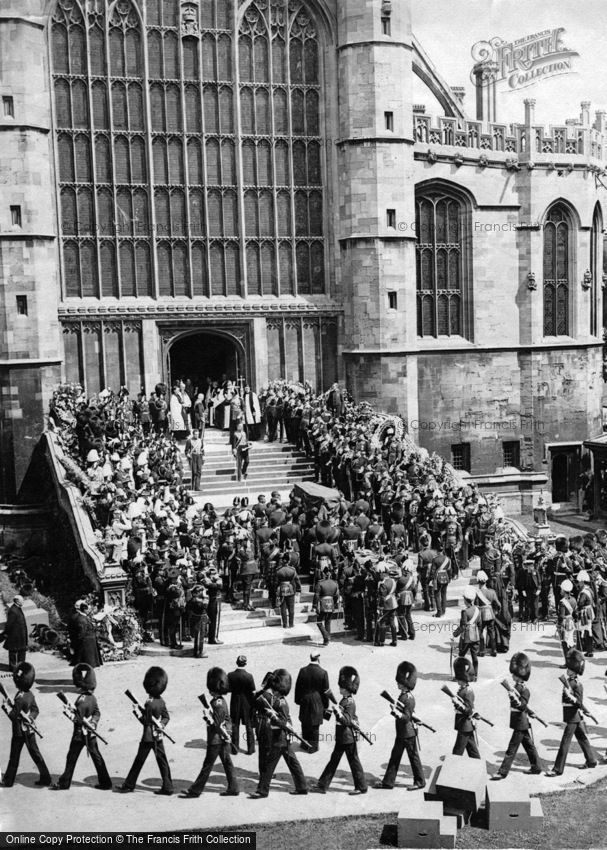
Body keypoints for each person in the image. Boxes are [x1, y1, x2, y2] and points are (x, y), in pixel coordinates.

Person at [249, 669, 308, 798]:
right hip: (281, 737)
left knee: (269, 766)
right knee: (292, 763)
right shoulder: (279, 700)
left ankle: (262, 791)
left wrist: (272, 716)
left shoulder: (280, 702)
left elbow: (283, 721)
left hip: (279, 738)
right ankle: (302, 787)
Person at [53, 663, 112, 790]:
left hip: (79, 734)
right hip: (91, 733)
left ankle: (64, 783)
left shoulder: (81, 699)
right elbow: (97, 713)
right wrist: (93, 723)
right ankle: (106, 782)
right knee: (97, 757)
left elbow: (77, 719)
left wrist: (67, 712)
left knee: (71, 758)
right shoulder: (93, 698)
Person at [182, 667, 240, 798]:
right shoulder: (219, 701)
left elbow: (217, 724)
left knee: (207, 765)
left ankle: (195, 790)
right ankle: (234, 787)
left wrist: (207, 717)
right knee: (227, 763)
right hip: (222, 738)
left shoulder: (218, 703)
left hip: (216, 739)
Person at [119, 666, 173, 795]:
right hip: (158, 736)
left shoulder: (149, 703)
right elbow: (166, 717)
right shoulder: (161, 701)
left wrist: (136, 712)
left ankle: (129, 784)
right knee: (162, 761)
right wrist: (162, 725)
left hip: (148, 737)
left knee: (139, 761)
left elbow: (145, 721)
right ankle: (168, 786)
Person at [313, 666, 367, 795]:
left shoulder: (350, 702)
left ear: (347, 689)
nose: (340, 689)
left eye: (342, 688)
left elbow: (346, 721)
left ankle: (361, 787)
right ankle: (322, 785)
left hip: (347, 737)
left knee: (352, 762)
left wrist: (338, 712)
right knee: (335, 760)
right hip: (342, 736)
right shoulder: (344, 700)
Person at [546, 649, 598, 776]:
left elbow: (579, 702)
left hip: (573, 716)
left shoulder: (577, 685)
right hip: (571, 714)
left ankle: (558, 769)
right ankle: (591, 761)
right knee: (582, 738)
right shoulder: (569, 682)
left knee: (565, 742)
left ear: (574, 671)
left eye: (569, 669)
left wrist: (570, 696)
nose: (567, 670)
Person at [375, 661, 425, 791]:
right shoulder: (403, 695)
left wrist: (395, 712)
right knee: (395, 757)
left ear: (405, 684)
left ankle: (420, 781)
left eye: (400, 682)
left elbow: (406, 717)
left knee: (413, 758)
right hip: (403, 733)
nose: (397, 683)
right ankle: (388, 782)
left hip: (407, 733)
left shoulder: (408, 698)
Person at [492, 652, 543, 780]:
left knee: (512, 748)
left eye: (515, 674)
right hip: (518, 721)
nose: (513, 676)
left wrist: (513, 697)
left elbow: (522, 706)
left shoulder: (525, 690)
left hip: (521, 721)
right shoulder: (516, 687)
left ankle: (503, 772)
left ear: (520, 676)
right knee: (529, 746)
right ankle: (536, 767)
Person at [1, 662, 52, 788]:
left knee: (14, 758)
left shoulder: (19, 697)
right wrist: (30, 718)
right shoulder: (29, 694)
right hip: (29, 730)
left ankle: (8, 781)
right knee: (36, 754)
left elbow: (13, 716)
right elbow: (35, 710)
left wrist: (5, 706)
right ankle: (46, 777)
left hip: (19, 732)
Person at [294, 651, 330, 753]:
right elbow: (326, 691)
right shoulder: (323, 672)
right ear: (318, 658)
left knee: (304, 721)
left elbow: (298, 687)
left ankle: (304, 744)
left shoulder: (303, 670)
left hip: (305, 699)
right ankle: (313, 747)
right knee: (315, 724)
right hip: (317, 700)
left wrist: (298, 700)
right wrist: (326, 705)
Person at [450, 656, 480, 759]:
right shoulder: (462, 689)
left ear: (464, 679)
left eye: (459, 679)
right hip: (464, 724)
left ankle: (451, 768)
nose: (458, 680)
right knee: (472, 750)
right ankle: (478, 767)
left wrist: (457, 703)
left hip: (465, 724)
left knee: (457, 751)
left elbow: (468, 710)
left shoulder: (468, 691)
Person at [228, 656, 256, 756]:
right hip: (247, 703)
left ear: (237, 662)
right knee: (249, 726)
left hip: (235, 702)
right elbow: (252, 690)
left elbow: (228, 689)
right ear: (245, 664)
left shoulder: (230, 675)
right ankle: (250, 749)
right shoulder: (249, 676)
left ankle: (234, 749)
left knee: (235, 725)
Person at [452, 587, 481, 681]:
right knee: (474, 656)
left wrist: (455, 634)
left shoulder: (465, 611)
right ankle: (475, 676)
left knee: (461, 656)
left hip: (467, 636)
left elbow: (463, 625)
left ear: (466, 600)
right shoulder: (477, 609)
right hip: (475, 635)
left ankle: (460, 676)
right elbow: (479, 624)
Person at [69, 600, 102, 668]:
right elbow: (82, 631)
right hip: (86, 641)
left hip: (89, 641)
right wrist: (79, 641)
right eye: (87, 609)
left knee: (89, 659)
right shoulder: (81, 619)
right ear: (84, 609)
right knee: (87, 659)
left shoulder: (84, 617)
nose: (89, 611)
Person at [475, 570, 500, 657]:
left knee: (480, 632)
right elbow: (498, 604)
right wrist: (496, 612)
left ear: (478, 581)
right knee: (491, 632)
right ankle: (494, 650)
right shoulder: (492, 591)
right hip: (491, 613)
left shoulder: (478, 592)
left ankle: (482, 651)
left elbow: (476, 606)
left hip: (481, 614)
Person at [314, 566, 340, 646]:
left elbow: (316, 595)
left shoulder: (320, 583)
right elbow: (336, 595)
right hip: (331, 602)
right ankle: (327, 640)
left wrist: (314, 605)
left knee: (319, 622)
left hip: (323, 603)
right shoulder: (334, 583)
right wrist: (334, 603)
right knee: (328, 621)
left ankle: (326, 636)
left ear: (323, 573)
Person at [1, 595, 28, 671]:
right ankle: (13, 668)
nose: (23, 602)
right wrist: (6, 634)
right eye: (22, 600)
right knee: (13, 652)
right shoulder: (13, 610)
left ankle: (21, 666)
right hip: (15, 636)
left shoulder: (17, 608)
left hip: (20, 636)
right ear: (17, 601)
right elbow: (9, 624)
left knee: (22, 651)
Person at [275, 555, 301, 629]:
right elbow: (297, 580)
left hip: (281, 588)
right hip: (290, 588)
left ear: (282, 561)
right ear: (289, 561)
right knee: (291, 607)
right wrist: (299, 589)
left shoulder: (278, 570)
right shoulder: (292, 570)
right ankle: (291, 624)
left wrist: (276, 590)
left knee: (283, 607)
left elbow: (275, 582)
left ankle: (285, 624)